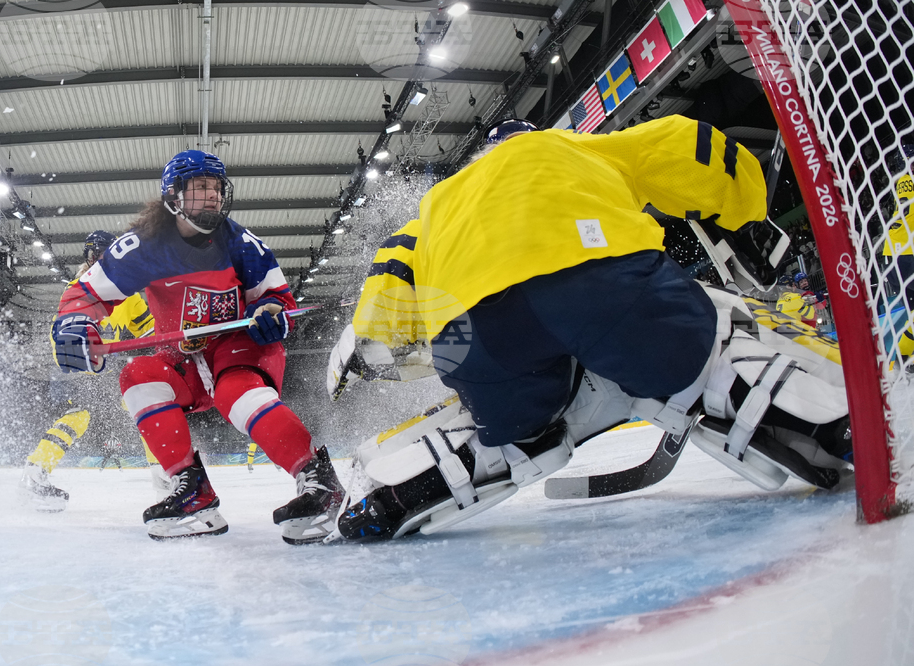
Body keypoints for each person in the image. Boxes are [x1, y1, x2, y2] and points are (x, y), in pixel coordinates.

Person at [326, 116, 852, 541]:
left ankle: (393, 496)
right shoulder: (577, 146)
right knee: (704, 351)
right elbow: (683, 145)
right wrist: (750, 209)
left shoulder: (438, 205)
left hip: (479, 332)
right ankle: (832, 430)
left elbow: (392, 275)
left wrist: (380, 342)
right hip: (602, 280)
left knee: (510, 431)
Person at [51, 150, 343, 543]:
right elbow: (86, 293)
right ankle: (193, 493)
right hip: (183, 359)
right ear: (174, 196)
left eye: (217, 188)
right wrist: (76, 324)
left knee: (235, 393)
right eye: (201, 187)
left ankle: (319, 482)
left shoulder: (242, 243)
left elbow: (278, 299)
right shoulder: (141, 247)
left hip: (241, 347)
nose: (212, 196)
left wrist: (272, 312)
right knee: (138, 375)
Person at [19, 231, 160, 513]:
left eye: (104, 254)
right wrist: (77, 350)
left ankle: (167, 478)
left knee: (147, 409)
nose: (98, 261)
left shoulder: (128, 295)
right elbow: (58, 331)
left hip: (114, 369)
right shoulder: (78, 287)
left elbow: (151, 331)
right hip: (84, 367)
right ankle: (35, 472)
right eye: (94, 254)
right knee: (81, 415)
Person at [880, 173, 914, 369]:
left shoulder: (904, 182)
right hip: (903, 254)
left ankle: (901, 361)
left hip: (897, 254)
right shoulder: (907, 181)